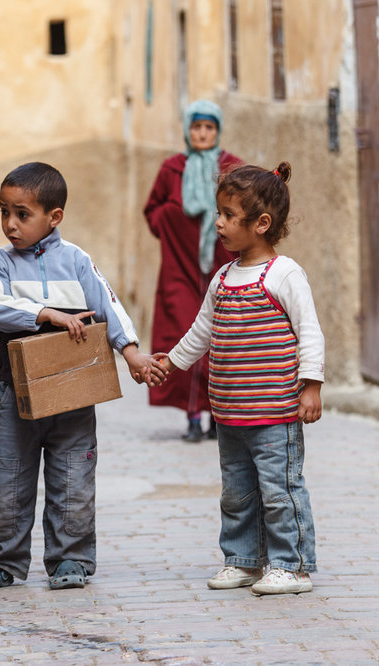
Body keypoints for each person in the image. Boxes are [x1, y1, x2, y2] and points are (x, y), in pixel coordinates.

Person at [0, 162, 166, 594]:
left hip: (74, 391)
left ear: (54, 217)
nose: (10, 224)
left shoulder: (76, 260)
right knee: (8, 478)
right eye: (3, 212)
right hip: (17, 394)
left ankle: (71, 558)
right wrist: (44, 314)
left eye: (22, 214)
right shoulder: (0, 263)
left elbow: (108, 304)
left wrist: (132, 355)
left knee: (73, 477)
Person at [154, 162, 324, 595]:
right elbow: (201, 333)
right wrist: (170, 363)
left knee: (280, 491)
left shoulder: (284, 274)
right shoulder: (223, 279)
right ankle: (243, 560)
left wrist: (311, 386)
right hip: (230, 414)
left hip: (274, 412)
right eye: (220, 212)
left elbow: (310, 331)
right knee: (237, 494)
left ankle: (291, 565)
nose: (219, 223)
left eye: (229, 215)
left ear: (261, 224)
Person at [144, 99, 241, 442]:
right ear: (188, 130)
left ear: (217, 131)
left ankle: (220, 415)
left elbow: (245, 207)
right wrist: (169, 223)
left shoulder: (232, 168)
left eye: (209, 128)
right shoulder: (172, 169)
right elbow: (152, 210)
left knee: (223, 339)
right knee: (184, 336)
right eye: (196, 127)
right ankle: (192, 416)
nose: (202, 133)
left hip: (222, 269)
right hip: (179, 271)